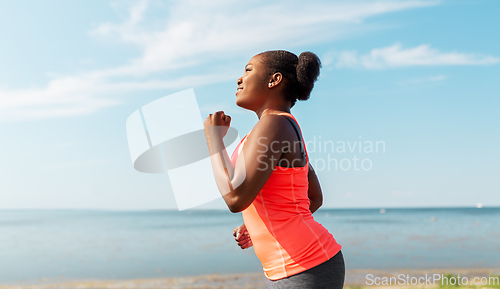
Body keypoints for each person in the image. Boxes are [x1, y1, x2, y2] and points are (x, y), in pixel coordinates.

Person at [204, 50, 344, 289]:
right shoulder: (281, 125)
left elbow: (235, 198)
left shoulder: (275, 123)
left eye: (248, 70)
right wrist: (260, 222)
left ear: (274, 80)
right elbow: (313, 198)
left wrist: (214, 139)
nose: (239, 79)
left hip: (305, 265)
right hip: (297, 267)